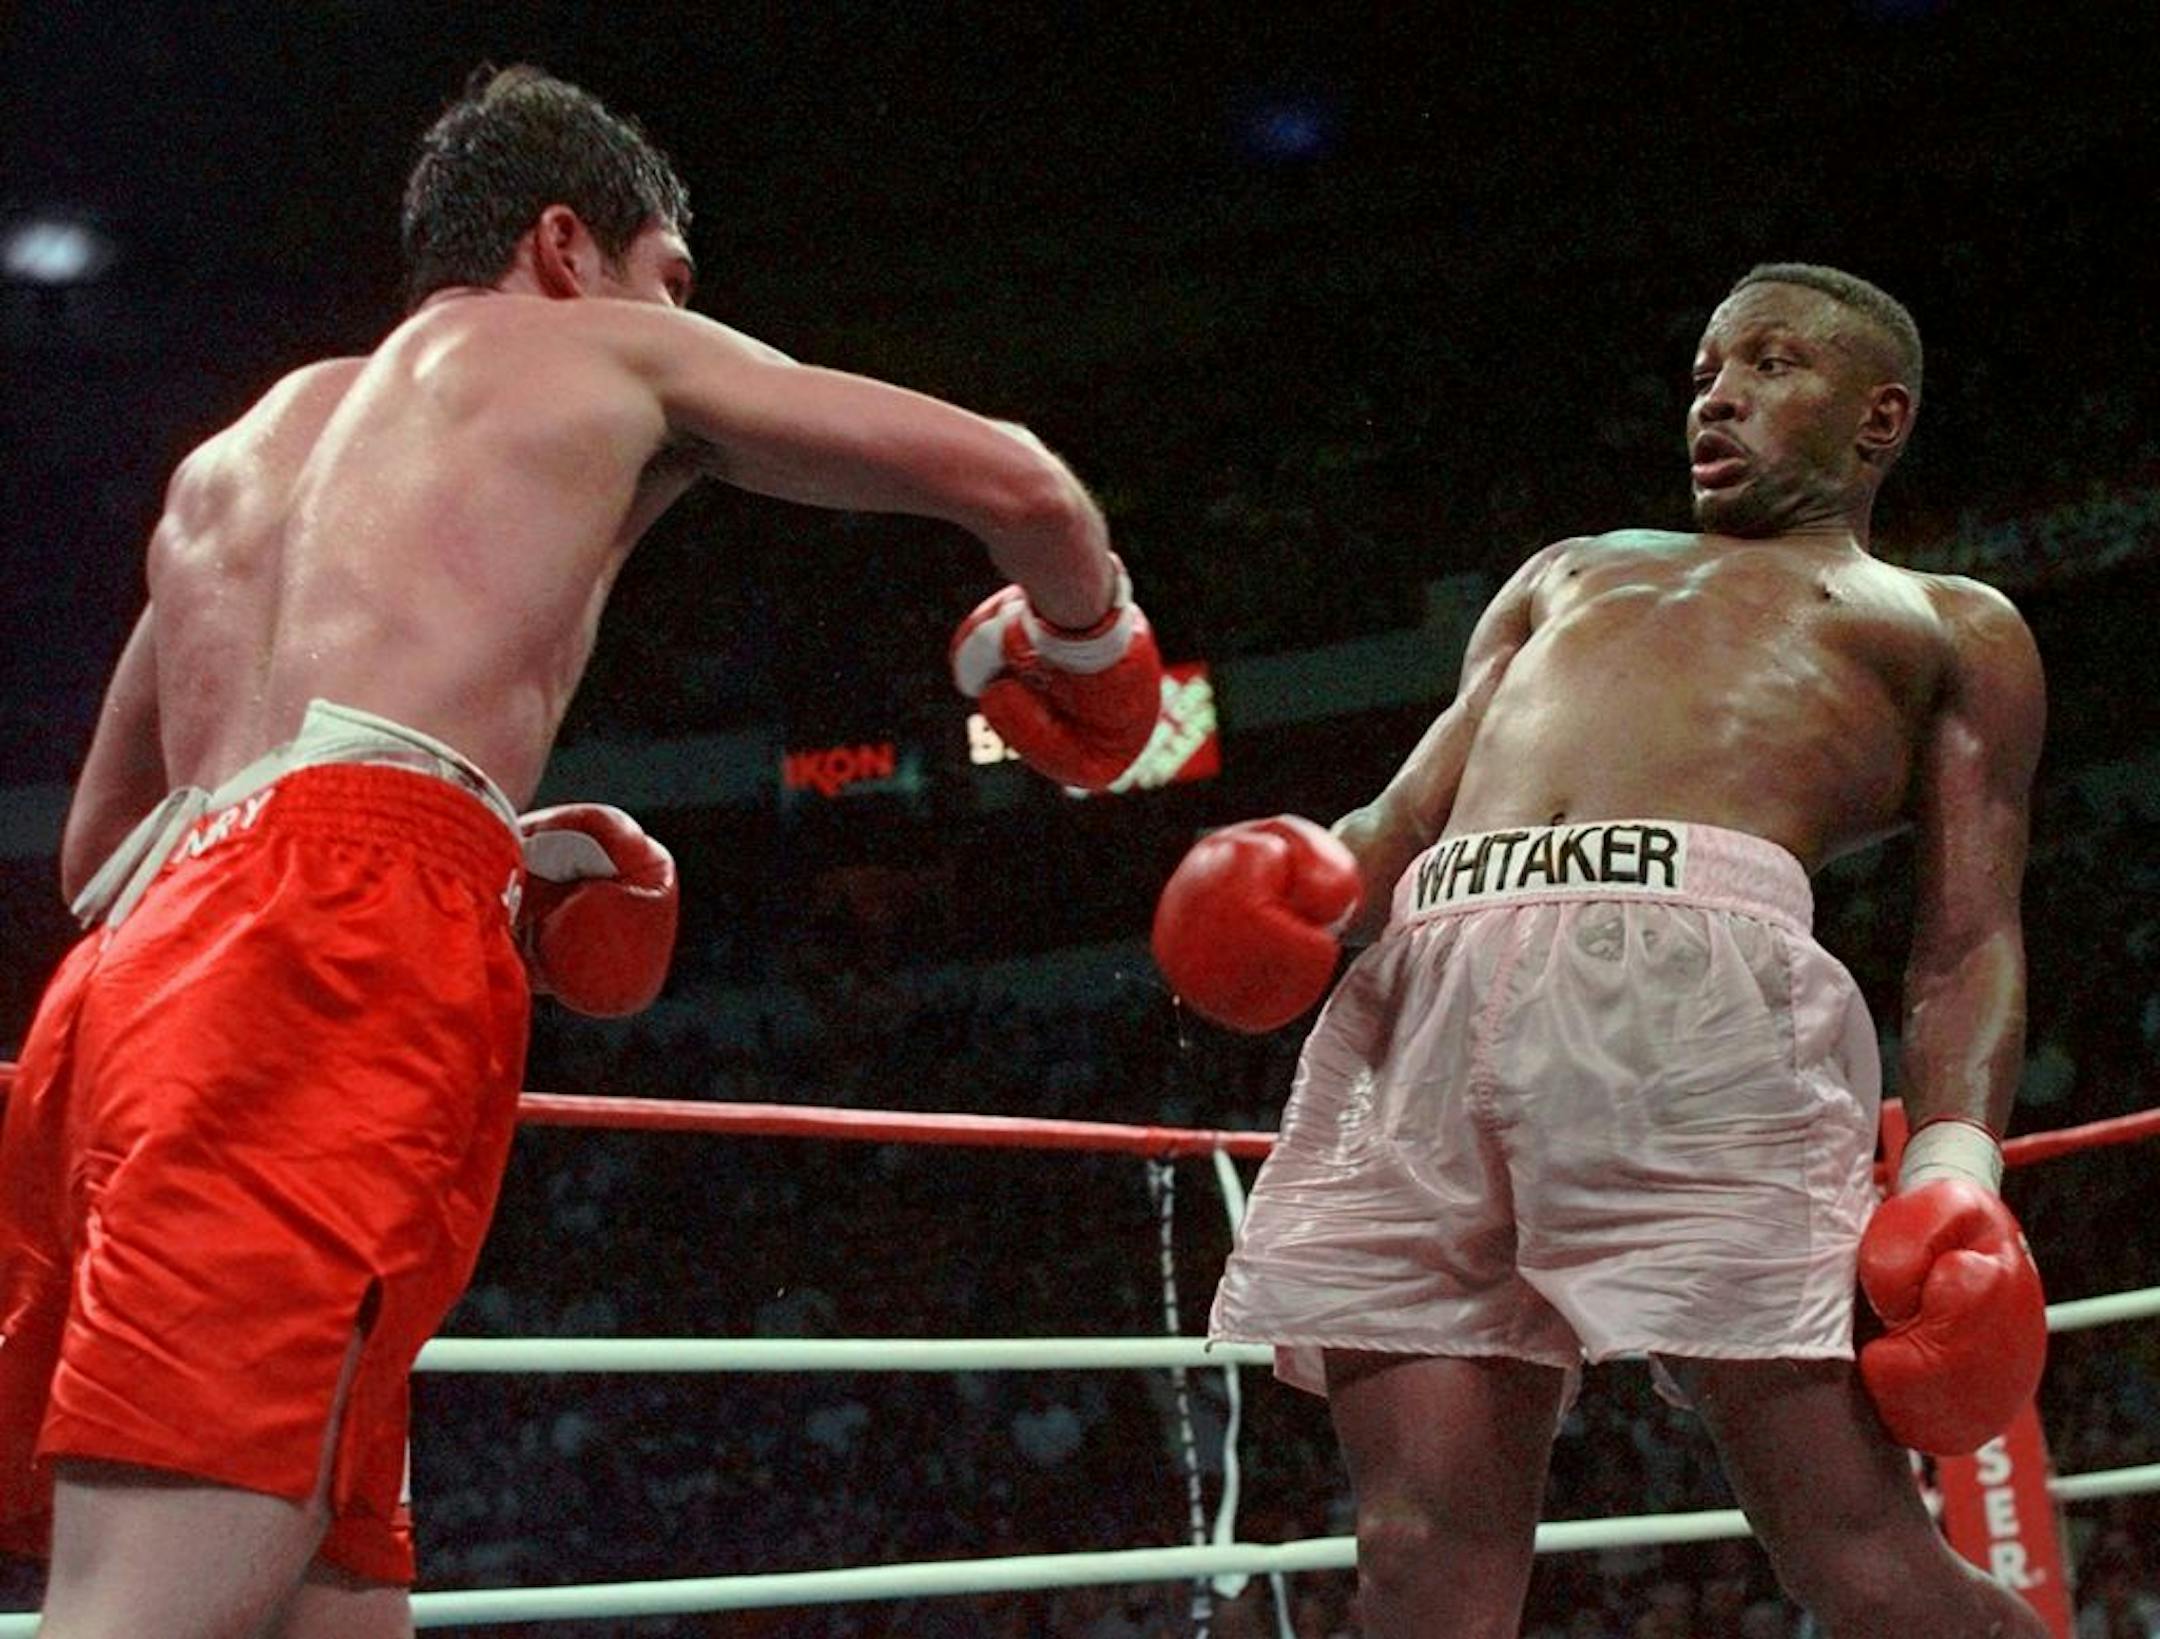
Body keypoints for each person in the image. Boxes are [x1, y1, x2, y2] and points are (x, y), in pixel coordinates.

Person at [0, 65, 1160, 1639]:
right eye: (672, 276)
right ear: (566, 243)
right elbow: (1017, 476)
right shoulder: (590, 347)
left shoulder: (237, 455)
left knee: (330, 1601)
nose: (687, 312)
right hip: (313, 974)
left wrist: (475, 837)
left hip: (142, 989)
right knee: (144, 1617)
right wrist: (1092, 646)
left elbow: (103, 854)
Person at [1152, 264, 2050, 1637]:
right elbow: (1399, 818)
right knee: (1416, 1552)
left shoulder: (1944, 620)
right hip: (1431, 995)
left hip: (1698, 1006)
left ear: (1879, 420)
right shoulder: (1566, 572)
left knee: (1853, 1549)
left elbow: (1968, 934)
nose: (1720, 393)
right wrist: (1298, 885)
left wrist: (1954, 1167)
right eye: (1703, 371)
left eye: (1769, 364)